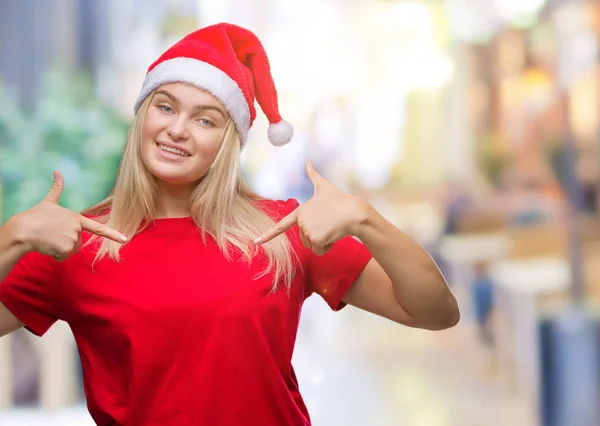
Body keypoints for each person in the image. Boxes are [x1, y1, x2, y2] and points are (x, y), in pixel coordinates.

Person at [0, 23, 459, 426]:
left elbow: (436, 313)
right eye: (165, 107)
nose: (178, 129)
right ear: (142, 116)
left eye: (205, 119)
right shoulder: (82, 246)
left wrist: (366, 219)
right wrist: (12, 236)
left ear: (228, 142)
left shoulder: (282, 231)